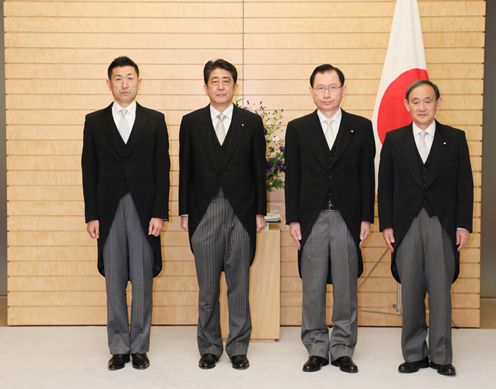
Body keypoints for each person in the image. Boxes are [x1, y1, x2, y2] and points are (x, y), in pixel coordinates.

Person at [378, 79, 473, 377]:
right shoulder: (394, 140)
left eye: (428, 100)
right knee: (411, 288)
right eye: (416, 101)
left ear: (437, 103)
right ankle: (414, 353)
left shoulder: (455, 138)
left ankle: (442, 355)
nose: (422, 106)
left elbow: (465, 185)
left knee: (440, 290)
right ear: (407, 105)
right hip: (406, 224)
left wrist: (463, 224)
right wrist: (388, 225)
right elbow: (386, 187)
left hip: (441, 223)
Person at [284, 64, 375, 374]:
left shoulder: (361, 127)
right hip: (311, 218)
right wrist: (293, 219)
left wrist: (366, 216)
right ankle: (316, 348)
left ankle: (343, 348)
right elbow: (293, 176)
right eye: (320, 87)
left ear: (343, 90)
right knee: (312, 286)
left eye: (332, 87)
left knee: (346, 287)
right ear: (311, 91)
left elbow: (367, 176)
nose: (326, 93)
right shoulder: (297, 128)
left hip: (347, 218)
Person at [81, 56, 170, 370]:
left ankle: (140, 346)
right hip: (108, 211)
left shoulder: (155, 120)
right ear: (109, 83)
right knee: (115, 279)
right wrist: (91, 214)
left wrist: (160, 213)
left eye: (129, 77)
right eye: (117, 78)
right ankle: (119, 345)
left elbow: (163, 169)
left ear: (139, 82)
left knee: (144, 280)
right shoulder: (94, 121)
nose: (124, 84)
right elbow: (88, 169)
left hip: (145, 211)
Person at [178, 59, 266, 370]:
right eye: (214, 81)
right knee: (208, 287)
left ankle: (238, 346)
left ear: (234, 85)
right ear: (205, 87)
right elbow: (185, 169)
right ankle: (210, 346)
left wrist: (259, 212)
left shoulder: (251, 122)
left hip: (241, 212)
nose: (220, 86)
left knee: (239, 283)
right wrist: (185, 211)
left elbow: (258, 170)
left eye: (226, 80)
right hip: (204, 211)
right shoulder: (191, 122)